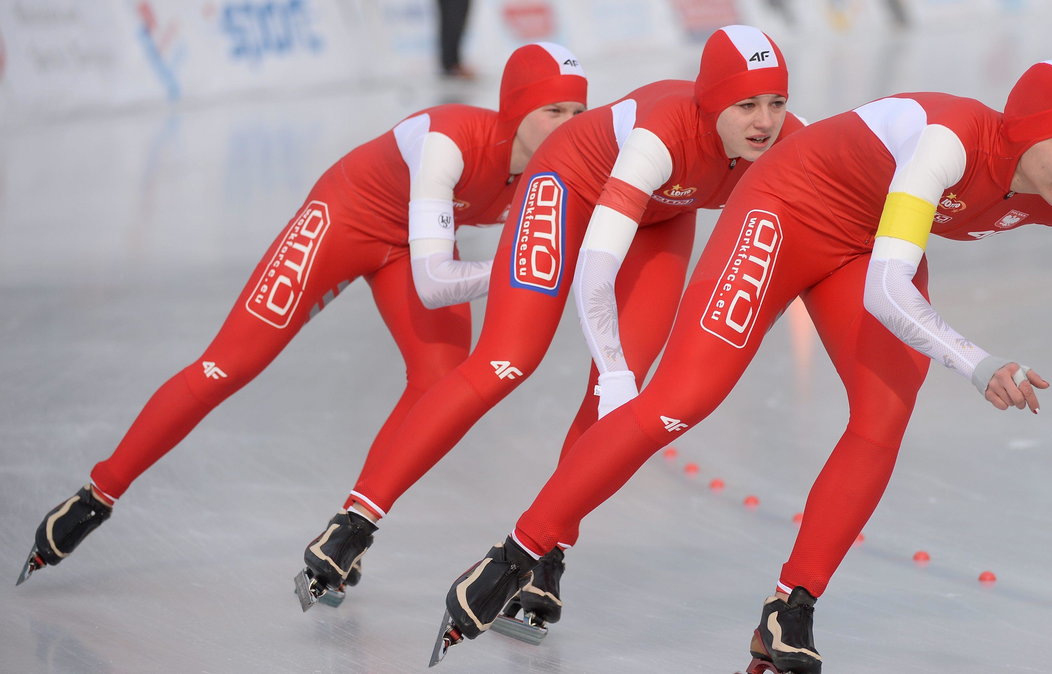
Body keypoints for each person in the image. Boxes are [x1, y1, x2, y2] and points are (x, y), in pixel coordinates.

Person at [440, 59, 1052, 672]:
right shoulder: (948, 142)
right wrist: (978, 361)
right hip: (785, 211)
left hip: (864, 245)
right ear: (1020, 135)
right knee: (680, 400)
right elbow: (889, 291)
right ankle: (516, 554)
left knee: (884, 418)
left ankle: (789, 612)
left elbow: (882, 267)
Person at [17, 43, 588, 594]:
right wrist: (518, 268)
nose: (568, 125)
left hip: (410, 247)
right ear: (514, 110)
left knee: (441, 379)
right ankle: (98, 493)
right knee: (229, 365)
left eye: (578, 112)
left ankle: (349, 527)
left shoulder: (559, 173)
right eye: (552, 111)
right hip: (345, 219)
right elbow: (436, 284)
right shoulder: (449, 141)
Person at [298, 24, 804, 621]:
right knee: (506, 362)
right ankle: (354, 522)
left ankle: (548, 554)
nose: (764, 121)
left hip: (663, 216)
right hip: (571, 185)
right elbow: (594, 268)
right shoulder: (659, 135)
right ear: (711, 100)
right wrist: (612, 366)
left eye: (776, 102)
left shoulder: (787, 143)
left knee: (614, 401)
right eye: (746, 103)